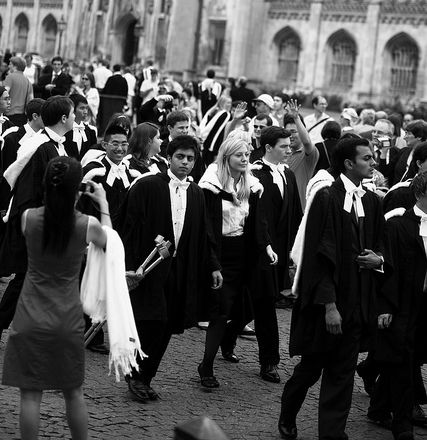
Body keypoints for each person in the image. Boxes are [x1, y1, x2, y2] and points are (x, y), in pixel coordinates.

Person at [278, 136, 386, 440]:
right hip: (327, 306)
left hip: (356, 305)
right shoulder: (326, 198)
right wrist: (329, 306)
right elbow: (317, 257)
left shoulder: (373, 201)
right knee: (310, 370)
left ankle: (332, 434)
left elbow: (381, 248)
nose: (374, 162)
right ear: (349, 163)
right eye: (367, 158)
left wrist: (378, 260)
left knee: (341, 375)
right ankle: (288, 413)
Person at [2, 157, 108, 440]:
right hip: (66, 316)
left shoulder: (28, 218)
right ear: (77, 190)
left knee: (30, 395)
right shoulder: (88, 225)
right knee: (73, 392)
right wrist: (104, 204)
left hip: (28, 314)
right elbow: (111, 244)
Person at [118, 135, 220, 401]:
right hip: (147, 269)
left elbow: (204, 234)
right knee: (148, 323)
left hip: (179, 270)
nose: (185, 163)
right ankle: (135, 376)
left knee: (165, 325)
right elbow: (128, 228)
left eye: (190, 159)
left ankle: (145, 377)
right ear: (169, 157)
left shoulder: (197, 193)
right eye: (180, 157)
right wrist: (128, 267)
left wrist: (213, 266)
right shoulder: (147, 186)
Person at [197, 134, 278, 389]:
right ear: (226, 158)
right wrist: (212, 262)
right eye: (239, 155)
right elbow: (206, 227)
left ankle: (269, 361)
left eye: (246, 155)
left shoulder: (251, 185)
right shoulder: (210, 185)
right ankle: (206, 365)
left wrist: (266, 246)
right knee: (220, 311)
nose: (245, 159)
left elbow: (258, 221)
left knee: (261, 302)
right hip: (221, 252)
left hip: (247, 250)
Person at [0, 96, 75, 341]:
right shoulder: (42, 147)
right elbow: (29, 193)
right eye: (72, 114)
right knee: (25, 280)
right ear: (63, 118)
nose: (74, 118)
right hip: (34, 227)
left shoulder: (55, 146)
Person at [368, 170, 427, 440]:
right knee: (404, 363)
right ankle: (403, 425)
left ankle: (379, 406)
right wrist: (386, 307)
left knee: (409, 359)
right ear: (421, 193)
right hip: (405, 303)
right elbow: (389, 270)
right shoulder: (399, 225)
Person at [249, 127, 302, 381]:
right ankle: (269, 361)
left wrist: (295, 249)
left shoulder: (289, 175)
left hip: (281, 252)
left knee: (252, 303)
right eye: (283, 146)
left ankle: (226, 339)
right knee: (265, 304)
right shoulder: (253, 174)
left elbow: (295, 214)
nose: (289, 150)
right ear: (268, 147)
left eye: (290, 146)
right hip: (259, 250)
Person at [283, 100, 319, 210]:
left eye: (294, 131)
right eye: (287, 132)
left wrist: (296, 118)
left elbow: (307, 142)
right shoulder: (281, 153)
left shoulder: (309, 153)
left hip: (299, 208)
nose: (290, 136)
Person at [199, 96, 232, 167]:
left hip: (206, 143)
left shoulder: (213, 111)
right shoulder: (225, 114)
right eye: (228, 103)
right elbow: (218, 131)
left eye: (230, 103)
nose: (230, 105)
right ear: (222, 103)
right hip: (213, 145)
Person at [64, 94, 98, 162]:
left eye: (86, 108)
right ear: (72, 110)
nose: (85, 112)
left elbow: (93, 155)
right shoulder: (64, 131)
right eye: (82, 108)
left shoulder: (91, 132)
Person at [393, 120, 427, 184]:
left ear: (419, 136)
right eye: (405, 133)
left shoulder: (425, 156)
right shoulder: (403, 152)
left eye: (408, 133)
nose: (404, 137)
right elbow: (388, 173)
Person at [97, 64, 128, 134]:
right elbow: (125, 92)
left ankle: (105, 131)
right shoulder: (123, 80)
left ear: (113, 69)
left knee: (107, 118)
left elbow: (105, 90)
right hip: (119, 104)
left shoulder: (111, 79)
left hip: (108, 103)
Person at [3, 56, 33, 126]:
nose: (8, 66)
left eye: (10, 64)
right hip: (22, 117)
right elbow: (30, 101)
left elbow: (3, 94)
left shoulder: (10, 77)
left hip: (9, 115)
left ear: (15, 66)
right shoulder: (28, 82)